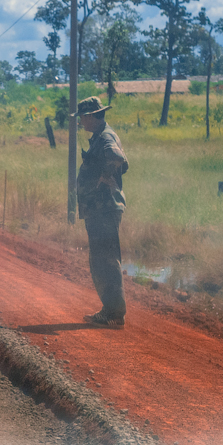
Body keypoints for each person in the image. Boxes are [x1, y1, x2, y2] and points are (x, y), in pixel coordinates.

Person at [73, 96, 130, 328]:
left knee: (106, 259)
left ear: (90, 116)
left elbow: (117, 158)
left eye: (82, 118)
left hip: (104, 208)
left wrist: (103, 178)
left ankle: (114, 313)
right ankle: (110, 310)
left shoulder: (105, 137)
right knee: (101, 259)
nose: (81, 122)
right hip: (99, 209)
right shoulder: (100, 136)